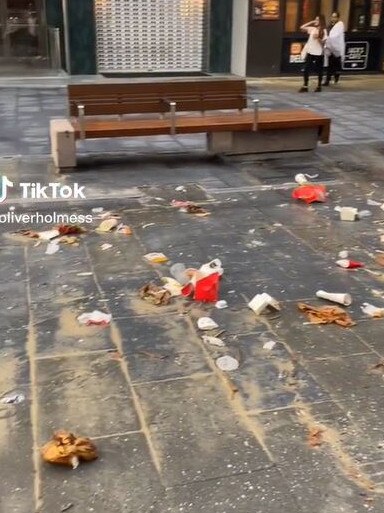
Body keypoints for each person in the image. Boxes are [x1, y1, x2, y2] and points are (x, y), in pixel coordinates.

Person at [299, 15, 327, 93]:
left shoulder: (324, 31)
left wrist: (318, 38)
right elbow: (302, 27)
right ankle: (305, 86)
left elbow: (324, 44)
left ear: (321, 21)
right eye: (315, 19)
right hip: (310, 52)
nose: (316, 21)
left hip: (318, 53)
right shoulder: (313, 29)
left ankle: (319, 86)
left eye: (317, 20)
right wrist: (311, 22)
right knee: (306, 69)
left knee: (319, 70)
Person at [324, 12, 345, 85]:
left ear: (338, 18)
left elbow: (336, 36)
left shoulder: (340, 25)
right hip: (330, 48)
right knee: (330, 65)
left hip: (337, 48)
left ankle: (336, 76)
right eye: (332, 17)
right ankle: (327, 80)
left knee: (336, 64)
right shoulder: (329, 26)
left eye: (335, 17)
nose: (333, 18)